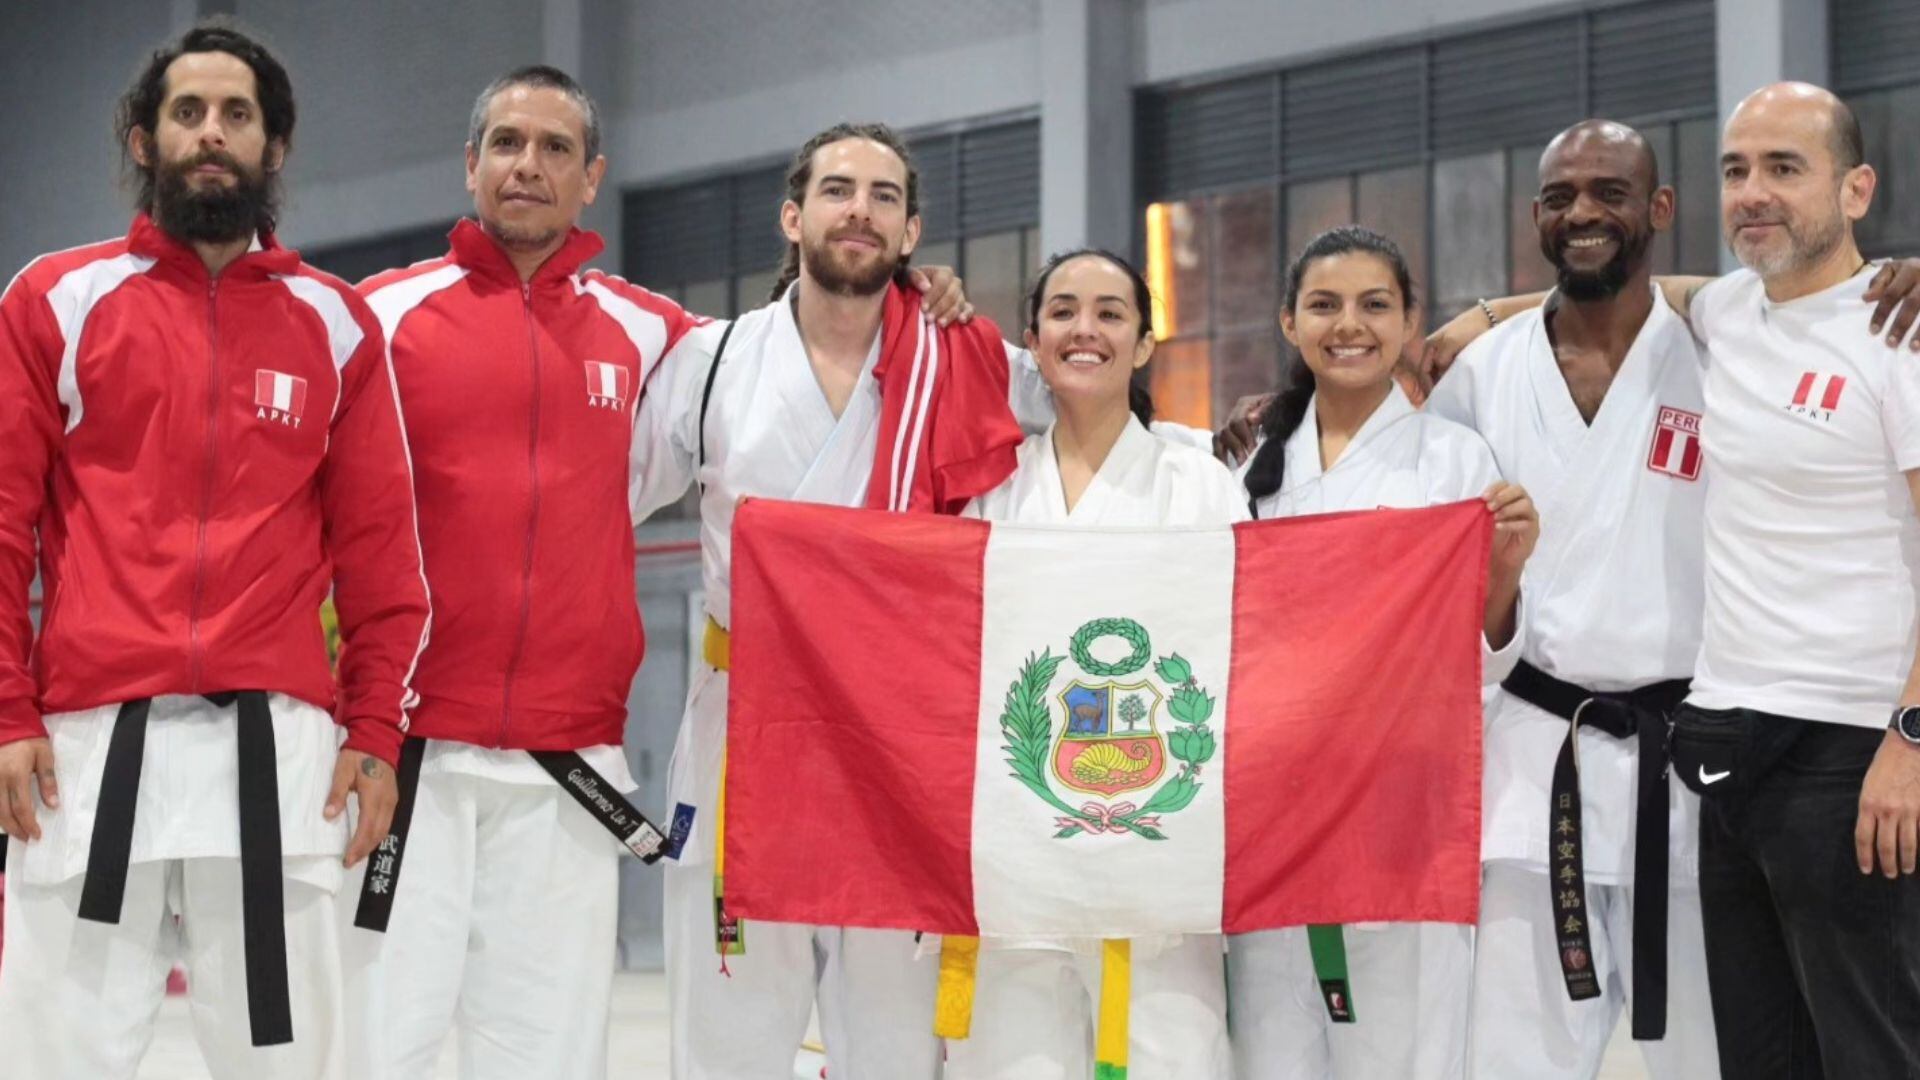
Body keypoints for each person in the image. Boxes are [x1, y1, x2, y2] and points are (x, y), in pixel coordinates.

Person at [342, 78, 970, 1080]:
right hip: (410, 746)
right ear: (471, 163)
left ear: (593, 179)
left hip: (569, 751)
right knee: (377, 1044)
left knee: (549, 1051)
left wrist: (912, 291)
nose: (528, 166)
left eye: (556, 149)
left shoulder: (660, 338)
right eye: (506, 142)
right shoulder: (378, 316)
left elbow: (815, 337)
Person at [1417, 83, 1920, 1077]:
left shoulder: (1859, 335)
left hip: (1806, 750)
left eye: (1784, 167)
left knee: (1839, 1042)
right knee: (1730, 1050)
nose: (1756, 191)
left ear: (1857, 189)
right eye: (1739, 170)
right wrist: (1474, 316)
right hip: (1647, 751)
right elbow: (1638, 289)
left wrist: (1913, 733)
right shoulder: (1713, 317)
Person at [0, 22, 430, 1079]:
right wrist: (7, 713)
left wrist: (375, 730)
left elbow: (383, 559)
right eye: (187, 112)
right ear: (144, 140)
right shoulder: (53, 300)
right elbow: (3, 526)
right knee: (59, 1063)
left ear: (273, 145)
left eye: (237, 115)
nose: (211, 134)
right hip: (89, 750)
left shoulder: (334, 325)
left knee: (290, 1066)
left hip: (279, 760)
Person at [629, 122, 1024, 1080]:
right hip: (745, 722)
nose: (861, 210)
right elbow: (598, 501)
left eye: (884, 196)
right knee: (728, 1036)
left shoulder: (963, 359)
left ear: (912, 231)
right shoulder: (713, 360)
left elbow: (1093, 410)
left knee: (893, 1038)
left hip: (901, 742)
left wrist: (1249, 445)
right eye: (840, 189)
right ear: (793, 214)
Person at [1423, 120, 1721, 1080]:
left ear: (1660, 209)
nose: (1584, 213)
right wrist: (1279, 411)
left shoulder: (1722, 351)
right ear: (1537, 216)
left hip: (1690, 772)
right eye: (1560, 197)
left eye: (1610, 192)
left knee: (1703, 1061)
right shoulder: (1481, 372)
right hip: (1529, 776)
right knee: (1513, 1064)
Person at [1226, 225, 1536, 1080]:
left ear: (1409, 322)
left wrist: (1503, 574)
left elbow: (1480, 658)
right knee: (1270, 1054)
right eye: (1323, 305)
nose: (1348, 325)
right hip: (1270, 818)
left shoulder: (1454, 460)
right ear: (1289, 322)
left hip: (1401, 811)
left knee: (1403, 1058)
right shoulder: (1252, 465)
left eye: (1374, 305)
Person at [946, 247, 1246, 1080]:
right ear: (1033, 339)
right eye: (1065, 312)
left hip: (1163, 861)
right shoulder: (990, 495)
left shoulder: (1201, 483)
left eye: (1111, 313)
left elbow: (1241, 659)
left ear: (1145, 343)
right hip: (1019, 865)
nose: (1087, 330)